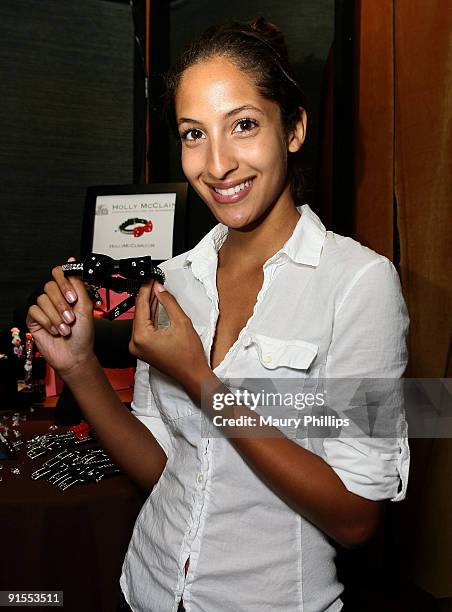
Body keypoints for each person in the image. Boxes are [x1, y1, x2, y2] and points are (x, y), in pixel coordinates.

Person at [27, 17, 409, 612]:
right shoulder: (176, 279)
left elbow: (357, 517)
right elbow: (162, 467)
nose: (218, 164)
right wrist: (78, 368)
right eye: (193, 134)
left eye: (244, 125)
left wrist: (205, 384)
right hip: (147, 590)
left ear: (295, 128)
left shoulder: (359, 284)